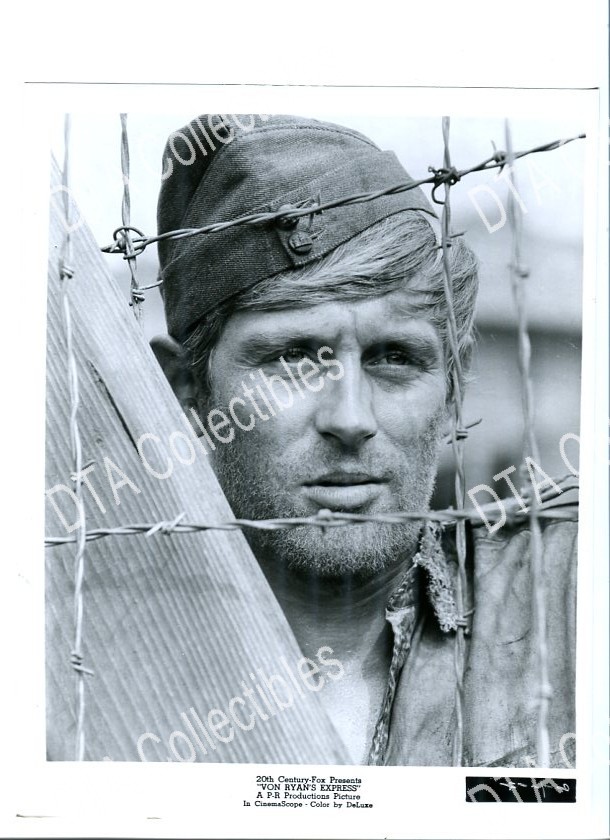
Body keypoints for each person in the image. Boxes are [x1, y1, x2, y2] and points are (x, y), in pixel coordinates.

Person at [151, 114, 577, 767]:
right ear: (185, 390)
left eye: (394, 358)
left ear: (453, 388)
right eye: (293, 357)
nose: (351, 419)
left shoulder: (570, 598)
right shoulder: (88, 647)